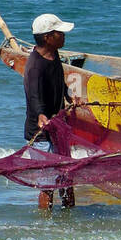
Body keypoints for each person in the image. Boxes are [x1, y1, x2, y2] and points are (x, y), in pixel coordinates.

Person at [24, 12, 85, 209]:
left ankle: (70, 221)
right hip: (41, 133)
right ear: (48, 37)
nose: (64, 36)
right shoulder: (35, 65)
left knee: (67, 179)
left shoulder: (53, 54)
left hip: (57, 127)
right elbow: (33, 93)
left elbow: (58, 79)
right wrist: (41, 114)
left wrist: (68, 97)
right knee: (47, 184)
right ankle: (44, 226)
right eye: (60, 33)